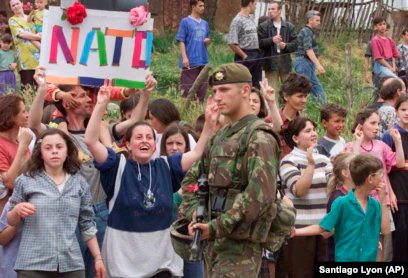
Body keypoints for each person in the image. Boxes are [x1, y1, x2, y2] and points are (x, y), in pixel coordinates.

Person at [84, 79, 217, 277]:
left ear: (155, 145)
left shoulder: (166, 165)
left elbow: (197, 152)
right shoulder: (116, 166)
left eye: (149, 138)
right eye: (139, 137)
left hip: (162, 263)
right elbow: (90, 140)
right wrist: (102, 103)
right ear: (128, 144)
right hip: (123, 265)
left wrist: (209, 123)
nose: (145, 141)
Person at [179, 63, 281, 277]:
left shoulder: (259, 137)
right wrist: (196, 218)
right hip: (211, 244)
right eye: (215, 91)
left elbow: (258, 198)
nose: (217, 97)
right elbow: (190, 181)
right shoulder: (220, 136)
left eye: (224, 90)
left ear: (245, 91)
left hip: (239, 249)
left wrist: (215, 227)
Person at [7, 128, 105, 277]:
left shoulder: (79, 183)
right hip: (33, 264)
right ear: (40, 152)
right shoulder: (25, 180)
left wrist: (98, 258)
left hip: (71, 264)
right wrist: (17, 210)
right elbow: (11, 221)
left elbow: (87, 224)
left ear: (67, 151)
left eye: (59, 147)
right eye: (48, 148)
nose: (54, 151)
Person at [293, 154, 391, 262]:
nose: (382, 176)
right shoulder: (342, 203)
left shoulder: (375, 204)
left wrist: (383, 201)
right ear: (370, 179)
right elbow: (323, 227)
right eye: (380, 173)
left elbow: (386, 230)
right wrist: (296, 232)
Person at [347, 108, 405, 262]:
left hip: (381, 201)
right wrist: (357, 144)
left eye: (378, 124)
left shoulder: (381, 145)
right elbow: (351, 170)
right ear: (360, 125)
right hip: (360, 202)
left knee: (383, 247)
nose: (376, 127)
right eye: (372, 123)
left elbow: (398, 163)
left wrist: (397, 141)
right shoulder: (350, 146)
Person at [278, 117, 332, 278]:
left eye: (314, 130)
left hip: (322, 229)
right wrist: (310, 165)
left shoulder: (324, 159)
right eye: (308, 131)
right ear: (295, 138)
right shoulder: (288, 161)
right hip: (298, 231)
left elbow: (334, 186)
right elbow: (299, 190)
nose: (314, 134)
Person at [160, 123, 205, 278]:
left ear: (186, 146)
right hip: (163, 242)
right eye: (169, 143)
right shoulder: (157, 169)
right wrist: (180, 194)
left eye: (179, 143)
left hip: (190, 237)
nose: (174, 148)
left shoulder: (197, 171)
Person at [382, 94, 408, 261]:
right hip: (399, 193)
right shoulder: (390, 134)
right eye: (403, 109)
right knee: (400, 237)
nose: (407, 113)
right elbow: (385, 166)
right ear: (396, 112)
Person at [0, 95, 32, 215]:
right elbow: (10, 182)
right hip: (10, 215)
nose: (27, 115)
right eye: (23, 111)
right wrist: (22, 147)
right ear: (11, 117)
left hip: (27, 207)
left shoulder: (21, 139)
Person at [258, 1, 297, 93]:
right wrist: (271, 40)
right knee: (271, 91)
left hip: (285, 61)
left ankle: (289, 107)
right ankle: (273, 107)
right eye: (269, 9)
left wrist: (286, 46)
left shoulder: (289, 27)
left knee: (290, 90)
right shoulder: (263, 26)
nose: (270, 11)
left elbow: (296, 44)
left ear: (279, 10)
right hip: (270, 62)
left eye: (273, 9)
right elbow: (259, 43)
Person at [176, 0, 210, 103]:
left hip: (203, 60)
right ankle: (186, 108)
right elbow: (181, 40)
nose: (203, 8)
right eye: (200, 6)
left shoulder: (205, 23)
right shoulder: (185, 22)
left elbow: (207, 38)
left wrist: (208, 41)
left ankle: (199, 107)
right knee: (187, 88)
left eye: (203, 6)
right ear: (193, 6)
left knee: (202, 87)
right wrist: (184, 57)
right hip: (190, 61)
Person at [325, 152, 356, 261]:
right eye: (356, 167)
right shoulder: (338, 199)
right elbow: (328, 230)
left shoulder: (354, 195)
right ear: (345, 173)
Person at [228, 0, 263, 89]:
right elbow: (232, 42)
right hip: (245, 55)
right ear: (250, 3)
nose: (255, 7)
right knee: (243, 84)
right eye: (255, 4)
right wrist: (244, 56)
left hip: (256, 54)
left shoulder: (250, 19)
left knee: (255, 85)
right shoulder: (237, 20)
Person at [294, 10, 326, 103]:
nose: (319, 23)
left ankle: (318, 110)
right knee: (303, 90)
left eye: (319, 20)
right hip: (304, 63)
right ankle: (303, 111)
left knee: (317, 90)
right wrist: (318, 65)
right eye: (317, 20)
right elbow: (308, 49)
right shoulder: (307, 31)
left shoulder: (309, 31)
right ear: (310, 20)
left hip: (307, 64)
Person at [8, 0, 41, 88]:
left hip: (39, 59)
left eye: (17, 3)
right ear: (11, 8)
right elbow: (21, 34)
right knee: (28, 90)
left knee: (41, 89)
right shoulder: (12, 20)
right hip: (25, 61)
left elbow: (40, 30)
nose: (16, 6)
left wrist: (38, 35)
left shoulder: (32, 18)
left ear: (22, 4)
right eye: (13, 5)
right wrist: (38, 37)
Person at [278, 72, 312, 157]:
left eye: (305, 96)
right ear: (286, 96)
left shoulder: (306, 124)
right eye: (300, 96)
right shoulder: (272, 121)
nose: (304, 100)